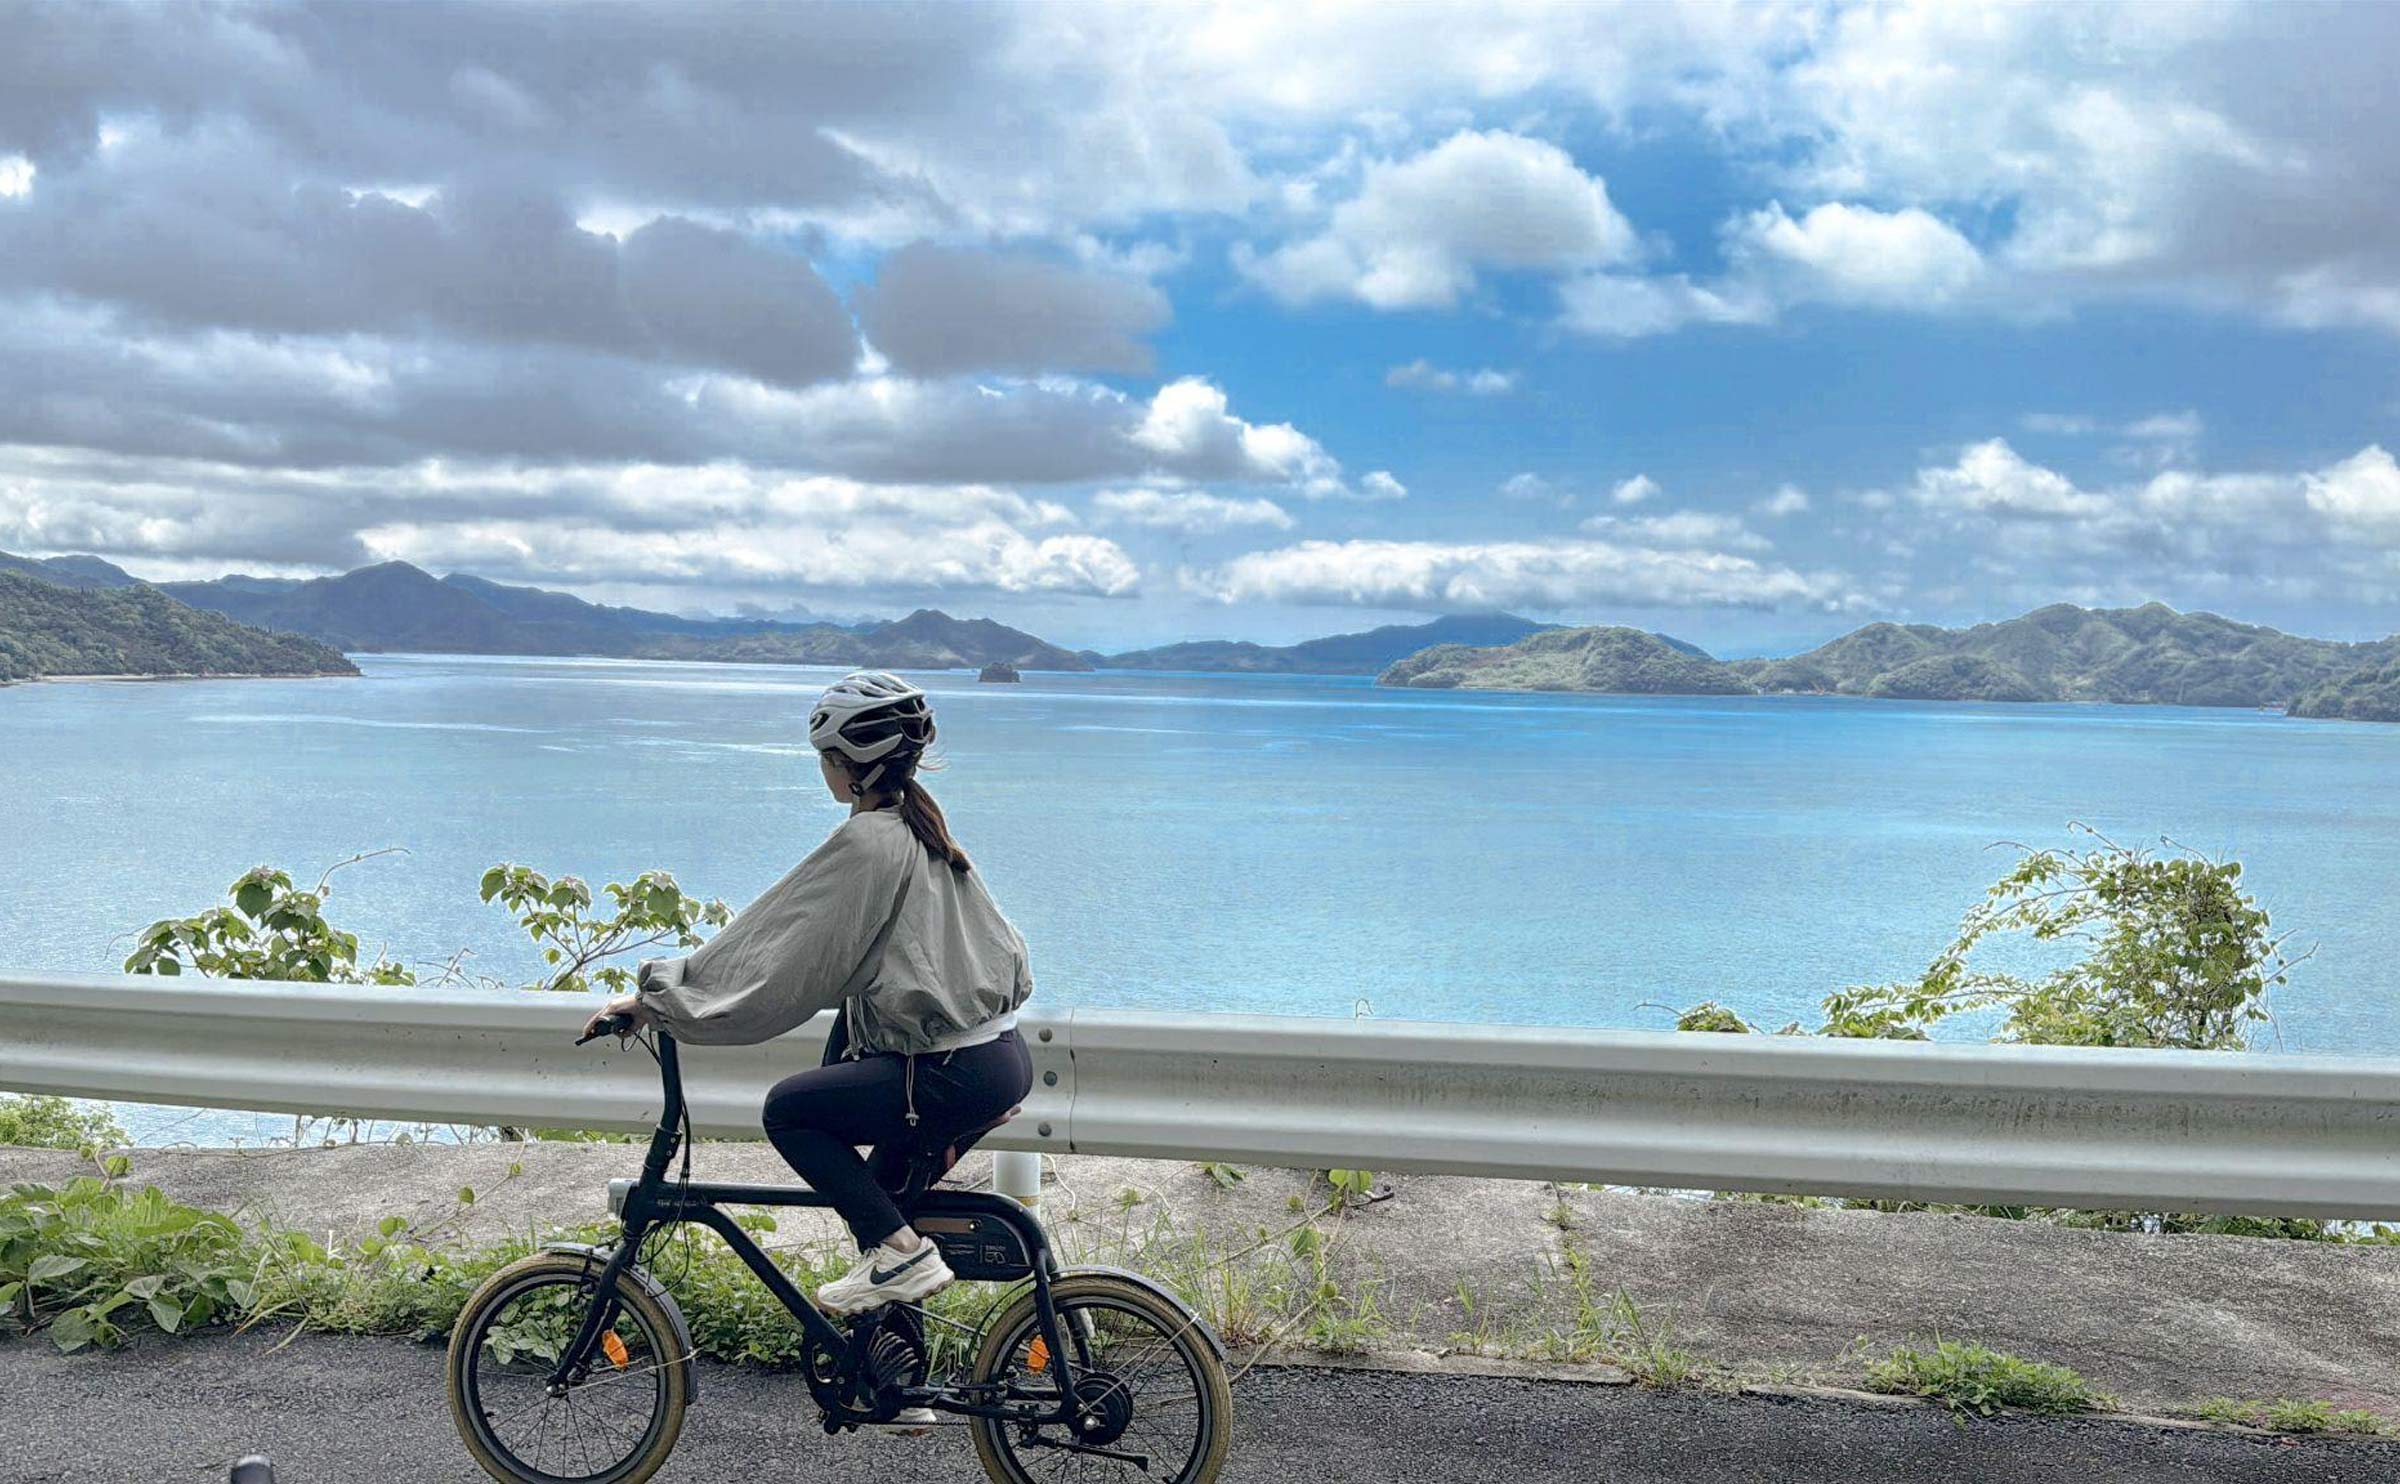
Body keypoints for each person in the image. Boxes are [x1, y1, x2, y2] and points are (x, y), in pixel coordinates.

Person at [583, 670, 1035, 1321]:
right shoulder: (919, 827)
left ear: (847, 767)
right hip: (997, 1057)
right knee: (877, 1210)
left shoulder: (869, 841)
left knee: (790, 1111)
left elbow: (778, 945)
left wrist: (662, 1001)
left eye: (825, 758)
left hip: (948, 1071)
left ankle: (904, 1256)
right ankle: (895, 1359)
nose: (822, 769)